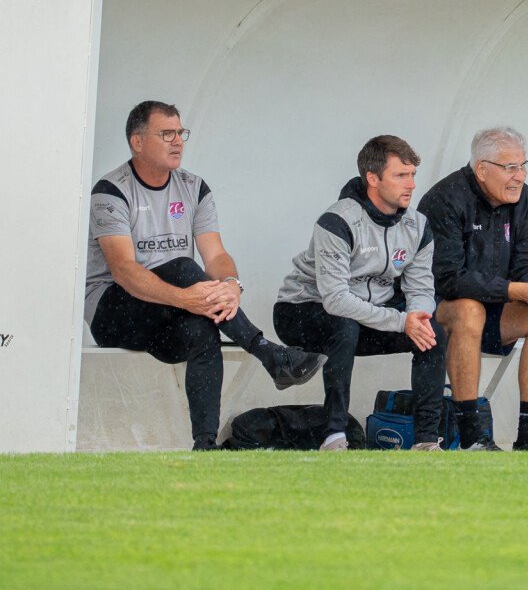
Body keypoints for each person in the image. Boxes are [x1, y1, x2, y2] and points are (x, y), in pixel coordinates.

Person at [85, 100, 325, 450]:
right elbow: (123, 271)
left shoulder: (194, 187)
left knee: (203, 328)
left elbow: (216, 255)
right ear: (137, 142)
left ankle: (205, 444)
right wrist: (186, 298)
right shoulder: (111, 191)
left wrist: (231, 285)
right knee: (183, 266)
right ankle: (269, 353)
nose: (178, 141)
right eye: (166, 133)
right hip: (115, 313)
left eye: (180, 133)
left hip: (171, 309)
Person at [273, 135, 445, 451]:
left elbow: (420, 288)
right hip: (300, 310)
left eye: (413, 175)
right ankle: (334, 436)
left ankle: (426, 442)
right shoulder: (337, 220)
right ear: (372, 179)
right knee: (343, 323)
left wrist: (417, 316)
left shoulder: (418, 226)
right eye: (400, 176)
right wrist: (400, 320)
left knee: (432, 332)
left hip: (367, 315)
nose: (411, 185)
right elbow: (336, 299)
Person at [417, 127, 528, 451]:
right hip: (435, 311)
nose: (520, 176)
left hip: (494, 305)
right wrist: (515, 291)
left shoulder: (523, 197)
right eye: (510, 168)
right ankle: (471, 437)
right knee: (469, 309)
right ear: (482, 169)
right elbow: (449, 278)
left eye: (524, 166)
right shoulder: (445, 199)